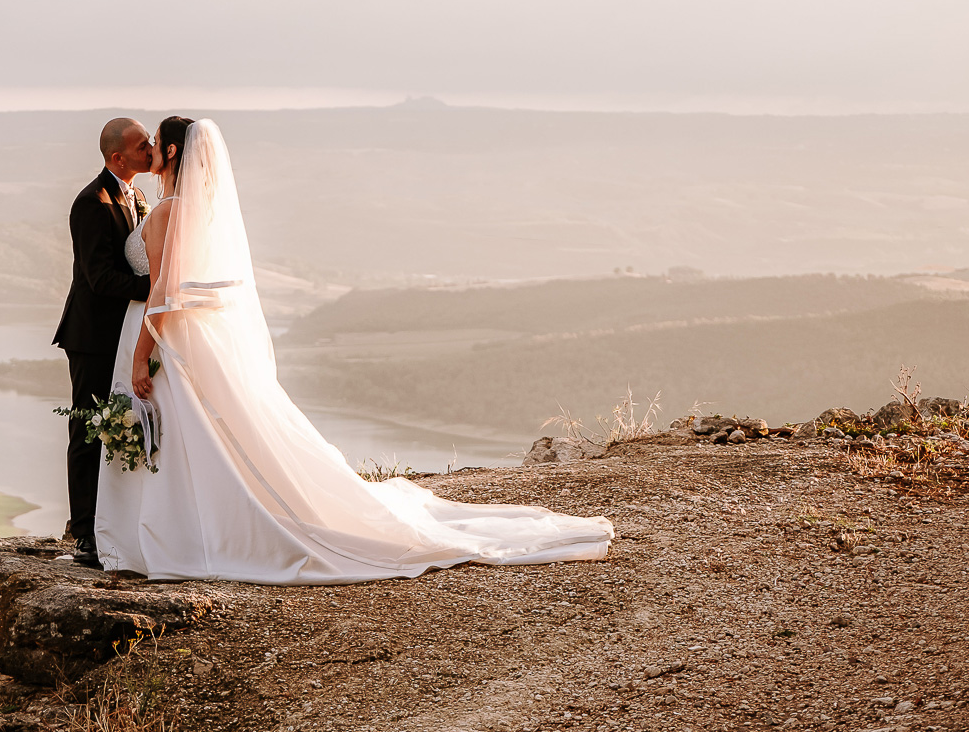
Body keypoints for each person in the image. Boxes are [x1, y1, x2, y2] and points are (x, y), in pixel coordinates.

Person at [94, 116, 613, 582]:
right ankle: (185, 530)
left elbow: (162, 290)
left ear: (175, 154)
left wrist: (142, 354)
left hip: (163, 334)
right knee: (196, 434)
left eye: (157, 144)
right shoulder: (196, 211)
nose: (150, 152)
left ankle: (173, 535)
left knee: (180, 433)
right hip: (189, 336)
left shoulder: (166, 212)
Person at [53, 116, 154, 567]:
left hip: (126, 334)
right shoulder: (92, 203)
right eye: (142, 146)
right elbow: (100, 278)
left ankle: (117, 520)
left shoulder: (138, 196)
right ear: (118, 157)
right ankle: (85, 533)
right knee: (89, 429)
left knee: (122, 425)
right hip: (93, 336)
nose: (151, 150)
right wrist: (157, 289)